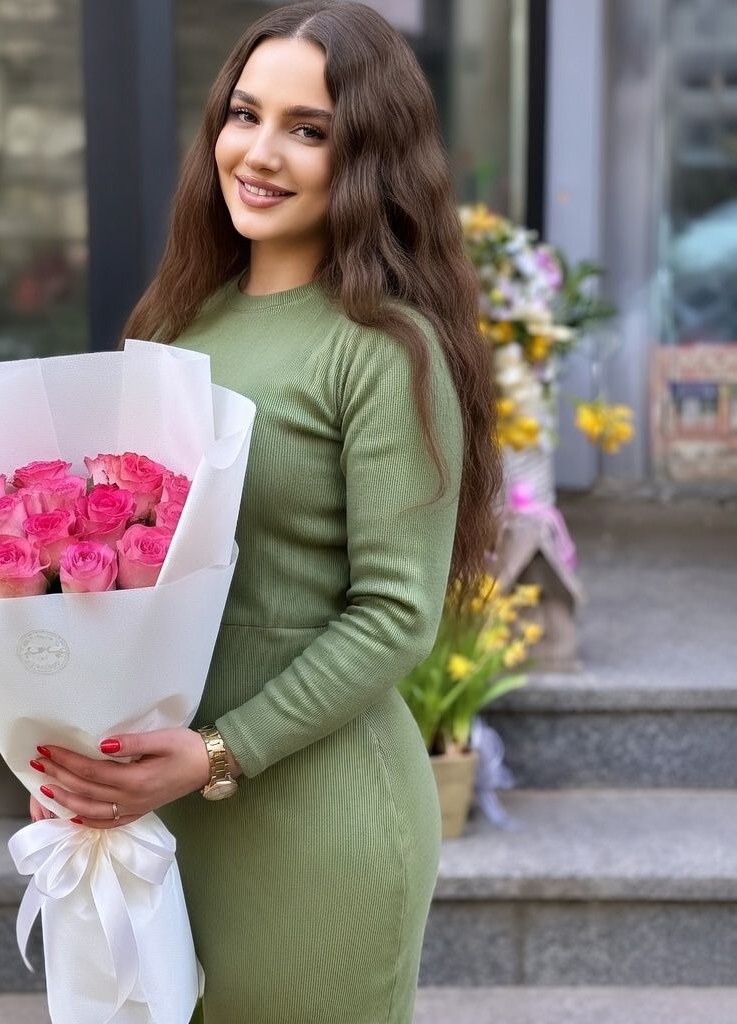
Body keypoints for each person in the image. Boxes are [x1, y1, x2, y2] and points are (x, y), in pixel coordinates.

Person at [27, 2, 502, 1021]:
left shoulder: (384, 349)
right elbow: (116, 566)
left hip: (315, 818)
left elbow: (396, 614)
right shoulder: (177, 321)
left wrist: (217, 751)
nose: (260, 152)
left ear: (368, 159)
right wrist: (75, 752)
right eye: (245, 115)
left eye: (308, 129)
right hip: (166, 811)